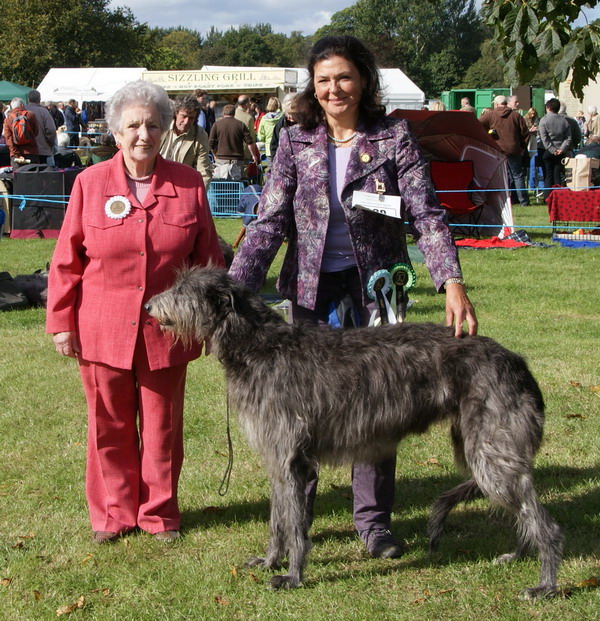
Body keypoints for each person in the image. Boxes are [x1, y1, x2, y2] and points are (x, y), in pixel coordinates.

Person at [229, 35, 477, 560]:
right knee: (298, 414)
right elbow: (269, 222)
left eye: (343, 77)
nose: (334, 88)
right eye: (323, 80)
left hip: (375, 289)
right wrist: (234, 290)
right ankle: (298, 530)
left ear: (363, 79)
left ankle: (374, 524)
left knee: (376, 407)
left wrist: (451, 282)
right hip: (310, 292)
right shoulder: (296, 141)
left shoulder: (393, 138)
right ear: (312, 88)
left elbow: (426, 214)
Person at [46, 80, 225, 545]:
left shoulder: (188, 183)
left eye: (152, 124)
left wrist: (210, 322)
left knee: (163, 428)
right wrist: (61, 322)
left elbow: (209, 260)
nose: (143, 134)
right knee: (109, 425)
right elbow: (67, 259)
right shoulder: (89, 182)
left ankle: (159, 514)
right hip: (102, 326)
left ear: (166, 129)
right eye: (133, 125)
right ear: (116, 132)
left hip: (169, 330)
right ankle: (113, 514)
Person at [479, 95, 530, 206]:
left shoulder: (490, 115)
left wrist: (488, 136)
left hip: (497, 150)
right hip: (514, 150)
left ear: (496, 104)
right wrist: (521, 147)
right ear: (506, 104)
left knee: (502, 176)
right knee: (517, 176)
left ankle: (505, 200)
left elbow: (477, 125)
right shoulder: (516, 116)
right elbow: (525, 133)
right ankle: (523, 201)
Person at [159, 94, 213, 189]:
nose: (187, 121)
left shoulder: (199, 135)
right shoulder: (161, 127)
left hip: (181, 186)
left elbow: (204, 170)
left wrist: (198, 196)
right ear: (176, 113)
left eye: (191, 118)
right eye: (183, 116)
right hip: (156, 182)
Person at [208, 104, 260, 180]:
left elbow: (211, 143)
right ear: (234, 113)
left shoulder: (216, 125)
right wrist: (253, 155)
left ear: (223, 113)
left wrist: (215, 154)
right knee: (237, 184)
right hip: (237, 160)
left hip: (221, 159)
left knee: (221, 185)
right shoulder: (241, 125)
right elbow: (249, 142)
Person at [538, 98, 572, 199]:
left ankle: (548, 197)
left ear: (548, 108)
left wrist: (552, 149)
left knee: (548, 175)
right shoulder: (564, 121)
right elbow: (568, 138)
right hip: (561, 151)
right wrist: (562, 149)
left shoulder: (544, 120)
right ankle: (559, 197)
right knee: (557, 174)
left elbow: (544, 138)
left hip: (548, 151)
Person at [2, 97, 40, 169]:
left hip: (16, 156)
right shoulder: (31, 115)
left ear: (12, 107)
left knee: (18, 178)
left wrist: (17, 155)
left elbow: (8, 139)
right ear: (22, 104)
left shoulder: (8, 119)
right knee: (33, 177)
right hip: (31, 152)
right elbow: (36, 132)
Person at [25, 89, 57, 165]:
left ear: (28, 99)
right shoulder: (44, 111)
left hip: (25, 150)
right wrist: (50, 143)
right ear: (39, 99)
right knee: (44, 175)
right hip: (43, 150)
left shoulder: (23, 111)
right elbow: (51, 130)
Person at [270, 93, 298, 162]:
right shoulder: (280, 124)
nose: (291, 118)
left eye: (294, 114)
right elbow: (274, 146)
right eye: (288, 114)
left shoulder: (307, 123)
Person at [256, 97, 283, 161]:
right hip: (281, 146)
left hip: (269, 147)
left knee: (271, 168)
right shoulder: (283, 117)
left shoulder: (264, 118)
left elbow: (260, 136)